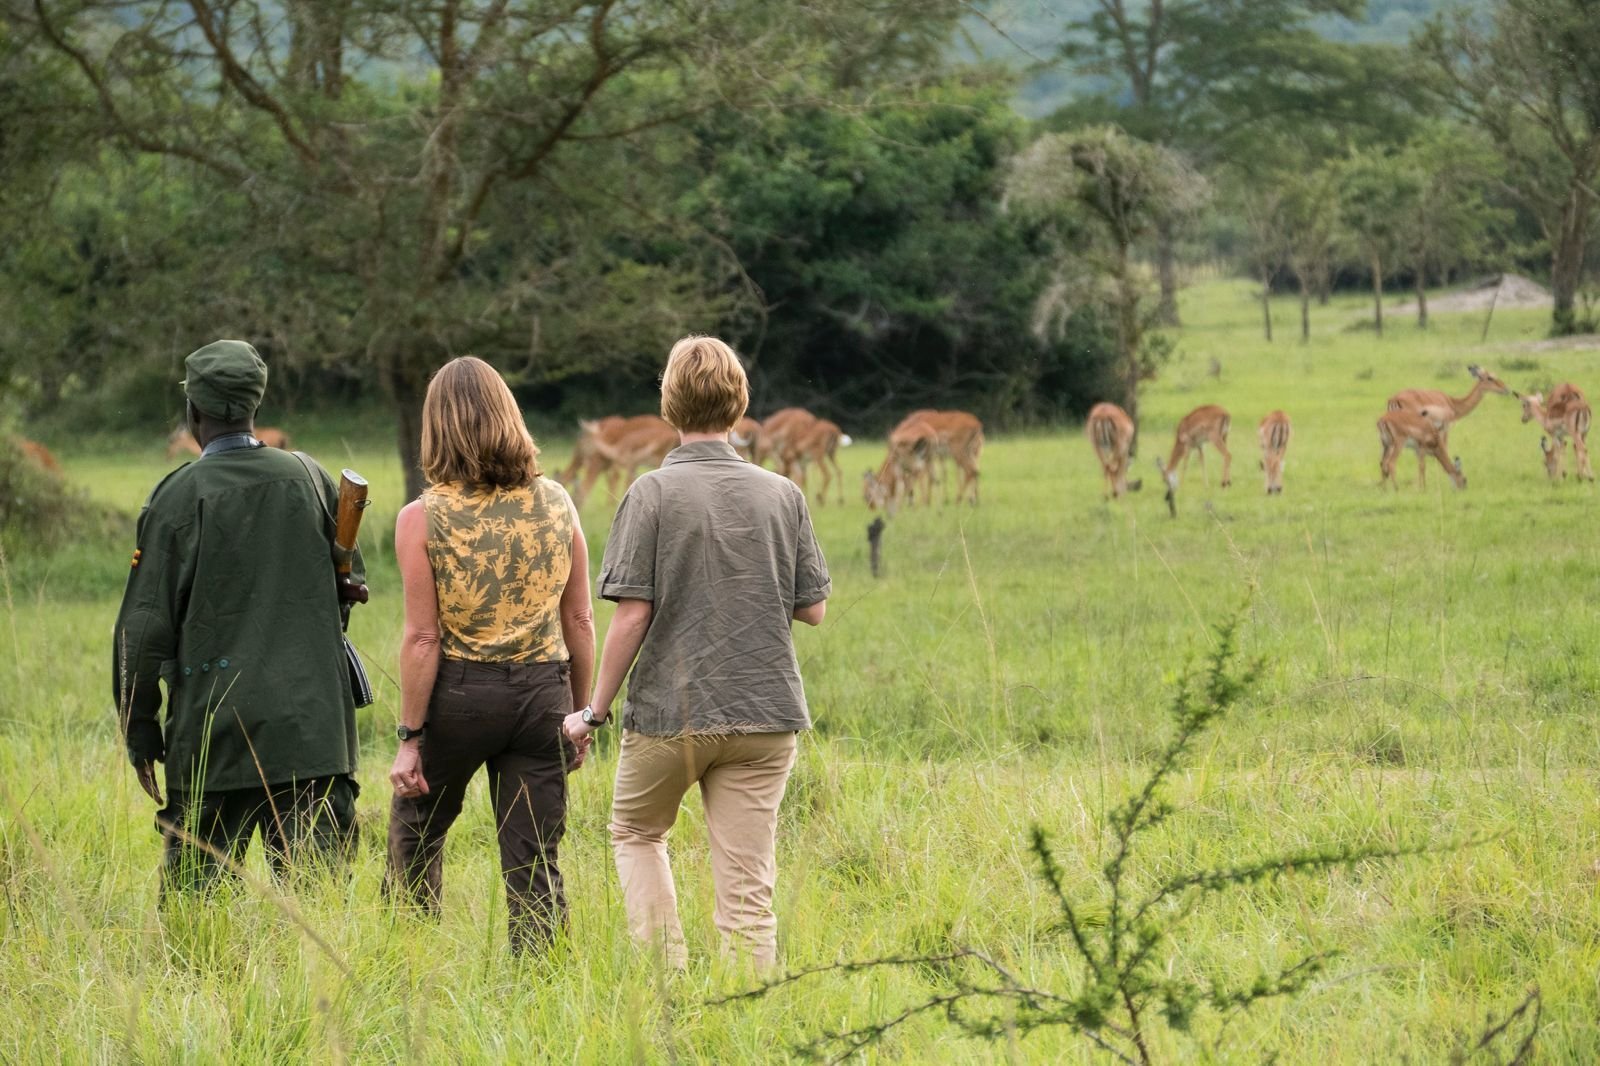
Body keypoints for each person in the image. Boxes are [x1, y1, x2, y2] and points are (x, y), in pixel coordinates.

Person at [563, 335, 830, 971]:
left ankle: (668, 978)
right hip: (766, 713)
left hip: (669, 714)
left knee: (635, 832)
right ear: (741, 404)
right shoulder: (783, 494)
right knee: (748, 885)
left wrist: (592, 713)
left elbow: (632, 614)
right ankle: (749, 1006)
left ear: (669, 404)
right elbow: (813, 608)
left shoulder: (650, 493)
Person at [112, 339, 362, 893]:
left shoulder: (177, 496)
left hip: (213, 735)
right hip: (312, 734)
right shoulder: (312, 478)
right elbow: (349, 588)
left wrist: (140, 733)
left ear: (193, 411)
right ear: (256, 404)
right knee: (319, 910)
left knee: (196, 910)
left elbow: (142, 630)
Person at [385, 356, 595, 954]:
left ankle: (408, 962)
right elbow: (579, 619)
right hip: (543, 696)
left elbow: (423, 638)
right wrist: (580, 715)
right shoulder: (558, 503)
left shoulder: (421, 517)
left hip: (459, 697)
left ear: (438, 427)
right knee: (534, 857)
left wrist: (410, 739)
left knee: (415, 832)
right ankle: (541, 981)